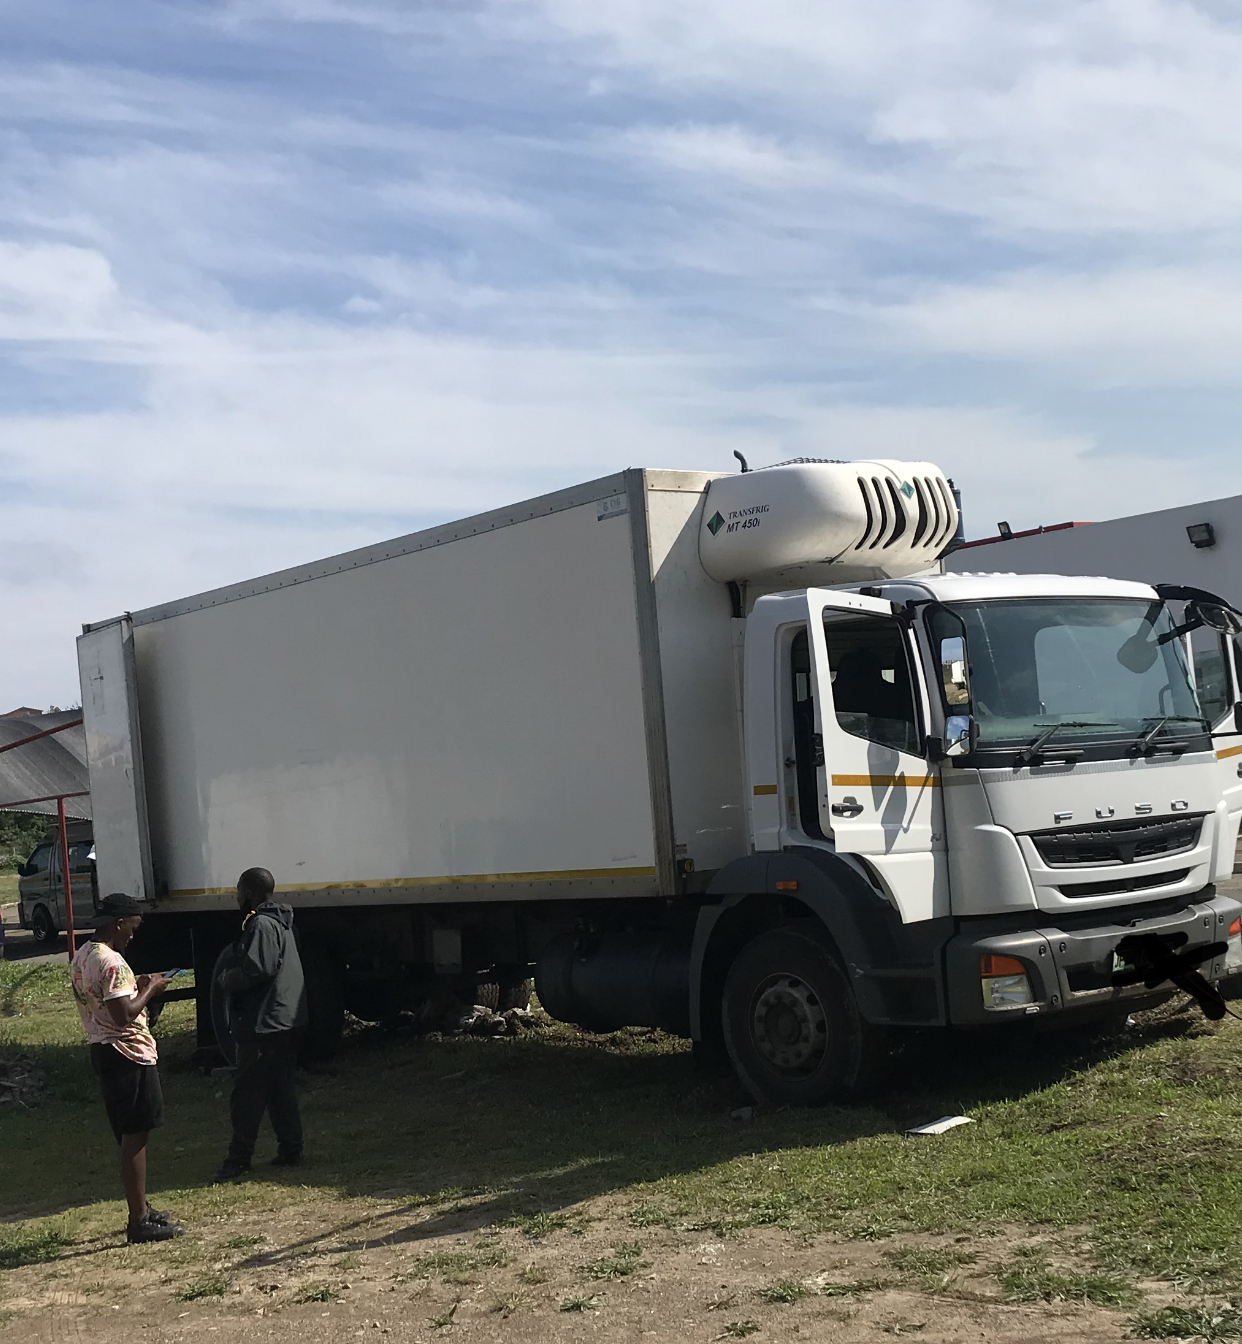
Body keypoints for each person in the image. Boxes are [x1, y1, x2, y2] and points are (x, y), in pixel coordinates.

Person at [70, 893, 184, 1244]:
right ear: (118, 924)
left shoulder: (82, 955)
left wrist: (138, 987)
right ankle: (139, 1221)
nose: (134, 936)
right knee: (136, 1134)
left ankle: (142, 1208)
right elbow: (124, 1015)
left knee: (128, 1132)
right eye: (132, 928)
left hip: (101, 1048)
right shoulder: (112, 962)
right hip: (127, 1053)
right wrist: (150, 989)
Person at [213, 867, 309, 1182]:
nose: (236, 897)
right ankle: (291, 1148)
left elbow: (257, 970)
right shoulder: (282, 922)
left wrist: (226, 979)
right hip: (285, 1019)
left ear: (250, 893)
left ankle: (238, 1158)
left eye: (239, 891)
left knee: (248, 1092)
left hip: (264, 1023)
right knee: (279, 1088)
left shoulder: (261, 925)